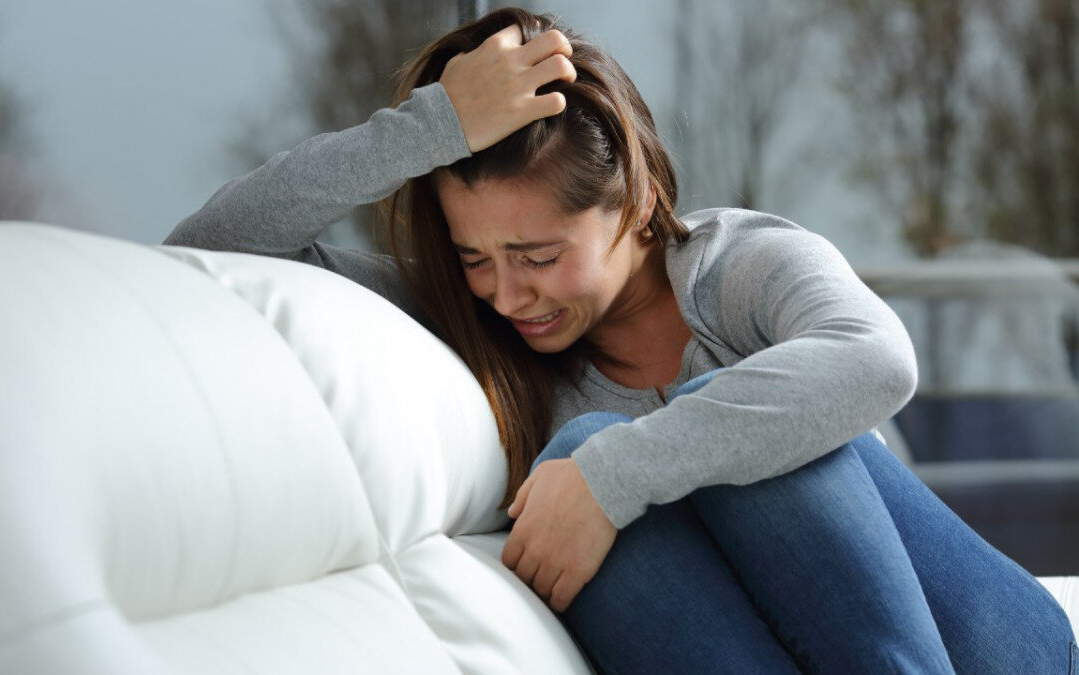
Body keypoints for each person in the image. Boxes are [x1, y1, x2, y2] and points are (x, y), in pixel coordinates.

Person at [164, 7, 1076, 673]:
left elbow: (877, 358)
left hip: (983, 647)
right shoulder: (463, 318)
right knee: (580, 448)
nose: (506, 293)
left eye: (538, 255)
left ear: (635, 204)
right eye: (475, 258)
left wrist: (614, 476)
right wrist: (432, 128)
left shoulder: (734, 266)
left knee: (642, 436)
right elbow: (209, 246)